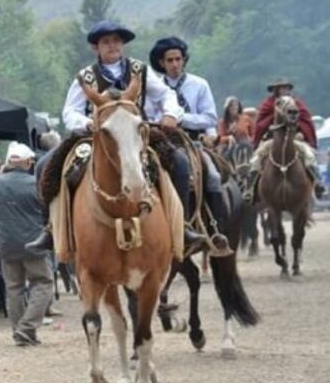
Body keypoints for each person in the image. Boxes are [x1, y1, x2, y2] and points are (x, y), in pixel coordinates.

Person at [27, 21, 202, 253]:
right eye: (106, 42)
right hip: (95, 136)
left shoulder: (140, 71)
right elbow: (70, 111)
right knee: (44, 165)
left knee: (179, 163)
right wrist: (86, 123)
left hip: (137, 134)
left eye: (117, 41)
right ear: (95, 48)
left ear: (123, 45)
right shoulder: (85, 76)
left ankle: (182, 224)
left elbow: (166, 95)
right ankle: (50, 229)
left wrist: (171, 113)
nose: (113, 46)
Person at [148, 37, 229, 252]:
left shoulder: (199, 84)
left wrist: (182, 119)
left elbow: (210, 118)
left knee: (212, 176)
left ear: (184, 60)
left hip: (192, 141)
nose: (175, 64)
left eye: (178, 59)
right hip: (162, 142)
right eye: (170, 60)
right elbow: (147, 115)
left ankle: (216, 231)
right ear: (161, 63)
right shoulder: (152, 88)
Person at [0, 143, 54, 346]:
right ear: (27, 162)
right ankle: (27, 328)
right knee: (43, 283)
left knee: (14, 288)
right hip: (33, 242)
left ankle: (19, 330)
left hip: (7, 243)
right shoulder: (36, 184)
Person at [246, 78, 324, 199]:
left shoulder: (296, 103)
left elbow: (305, 121)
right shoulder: (269, 104)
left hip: (294, 140)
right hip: (273, 140)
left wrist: (301, 133)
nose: (284, 90)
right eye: (281, 88)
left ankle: (318, 182)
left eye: (286, 88)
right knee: (256, 159)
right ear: (276, 90)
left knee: (309, 155)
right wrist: (269, 130)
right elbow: (261, 124)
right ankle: (250, 188)